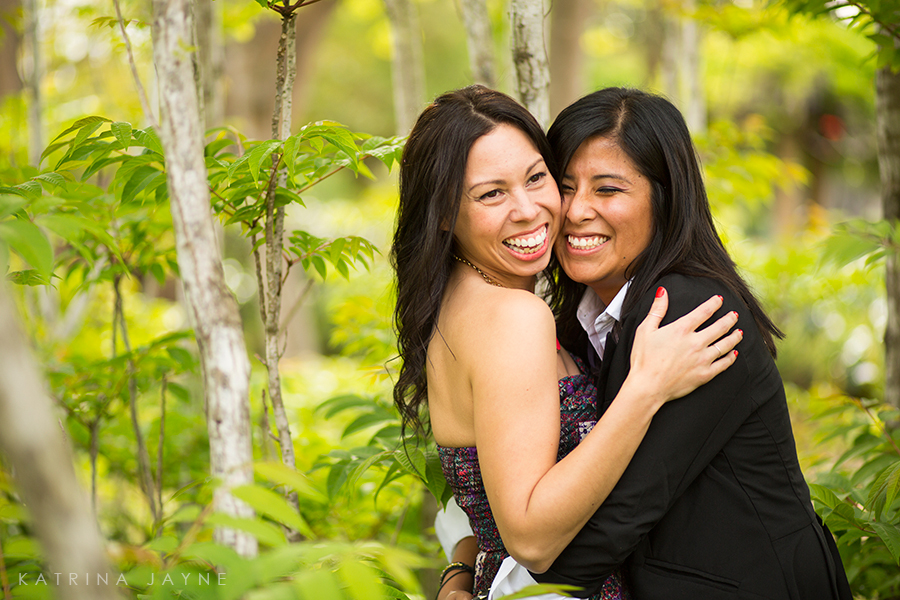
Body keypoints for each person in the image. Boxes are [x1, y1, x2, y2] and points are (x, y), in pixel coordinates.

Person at [390, 84, 742, 600]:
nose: (529, 209)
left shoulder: (456, 304)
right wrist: (645, 389)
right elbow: (530, 537)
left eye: (537, 178)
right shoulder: (514, 317)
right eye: (491, 194)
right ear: (444, 213)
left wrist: (460, 569)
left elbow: (485, 504)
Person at [518, 87, 850, 599]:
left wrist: (504, 574)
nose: (577, 210)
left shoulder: (690, 312)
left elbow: (609, 526)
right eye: (565, 187)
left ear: (665, 198)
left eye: (608, 190)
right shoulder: (574, 320)